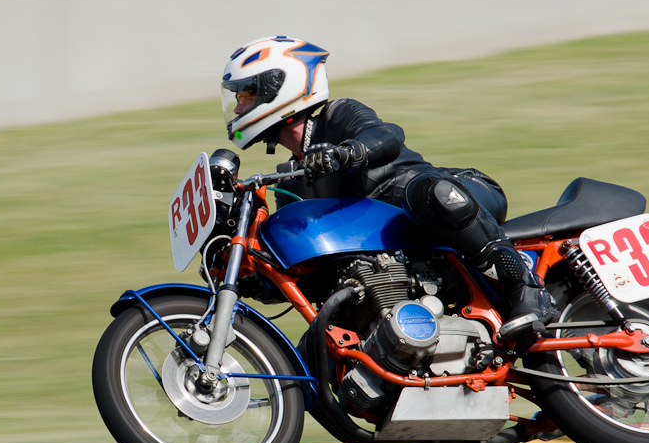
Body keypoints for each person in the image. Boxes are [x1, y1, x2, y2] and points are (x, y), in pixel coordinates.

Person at [220, 36, 558, 342]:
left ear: (279, 88)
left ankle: (527, 288)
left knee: (428, 194)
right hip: (402, 259)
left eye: (246, 96)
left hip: (458, 195)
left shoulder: (338, 115)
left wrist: (344, 154)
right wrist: (255, 280)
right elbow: (310, 271)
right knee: (314, 349)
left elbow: (387, 136)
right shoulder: (290, 180)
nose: (237, 108)